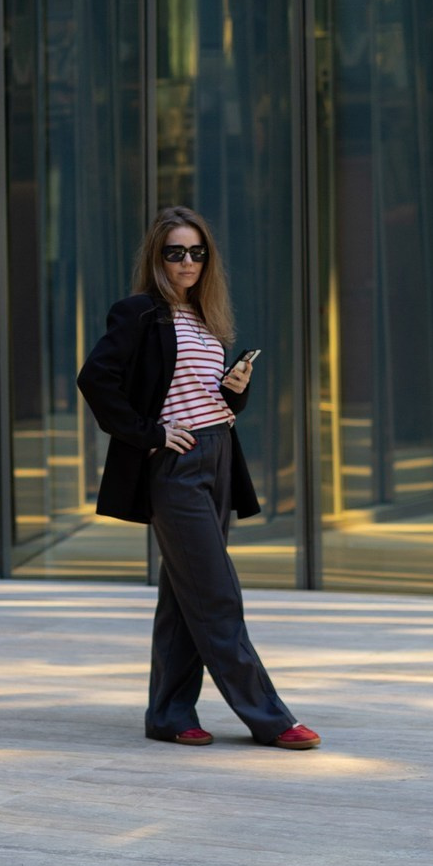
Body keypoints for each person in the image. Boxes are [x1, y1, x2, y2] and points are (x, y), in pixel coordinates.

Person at [77, 206, 320, 749]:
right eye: (175, 252)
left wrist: (235, 387)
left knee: (185, 595)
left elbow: (202, 395)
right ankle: (269, 718)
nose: (187, 262)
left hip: (219, 456)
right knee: (215, 594)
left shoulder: (205, 317)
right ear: (157, 258)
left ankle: (167, 713)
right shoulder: (138, 312)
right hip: (177, 466)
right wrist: (150, 433)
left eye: (197, 252)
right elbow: (95, 379)